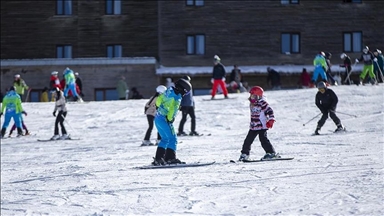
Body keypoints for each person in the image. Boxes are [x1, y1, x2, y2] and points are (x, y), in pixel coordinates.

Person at [152, 78, 192, 165]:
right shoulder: (177, 97)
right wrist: (170, 118)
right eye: (186, 92)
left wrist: (161, 107)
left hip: (157, 118)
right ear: (183, 90)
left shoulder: (168, 91)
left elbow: (158, 101)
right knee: (173, 139)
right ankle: (170, 158)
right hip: (165, 119)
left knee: (165, 139)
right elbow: (173, 109)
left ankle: (159, 159)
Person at [238, 86, 279, 161]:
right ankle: (244, 154)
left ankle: (271, 153)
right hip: (253, 126)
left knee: (263, 140)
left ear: (259, 96)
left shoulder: (263, 103)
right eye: (251, 96)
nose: (251, 97)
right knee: (248, 141)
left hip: (262, 126)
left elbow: (270, 111)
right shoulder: (252, 104)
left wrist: (271, 119)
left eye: (253, 96)